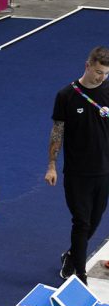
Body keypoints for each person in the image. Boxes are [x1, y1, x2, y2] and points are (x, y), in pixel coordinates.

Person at [45, 46, 109, 283]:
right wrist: (51, 165)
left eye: (105, 74)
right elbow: (57, 133)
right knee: (81, 221)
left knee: (94, 220)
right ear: (88, 65)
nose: (101, 78)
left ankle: (71, 255)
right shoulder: (66, 96)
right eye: (98, 72)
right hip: (77, 173)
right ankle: (79, 275)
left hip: (105, 170)